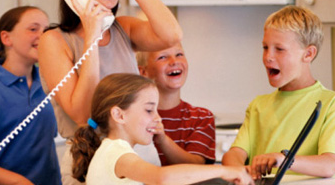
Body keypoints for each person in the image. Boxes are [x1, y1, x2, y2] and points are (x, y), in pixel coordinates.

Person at [38, 0, 182, 184]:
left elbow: (172, 35)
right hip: (88, 158)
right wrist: (92, 34)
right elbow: (83, 113)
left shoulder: (124, 28)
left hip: (140, 154)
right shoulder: (53, 41)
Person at [70, 73, 253, 185]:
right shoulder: (116, 153)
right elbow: (161, 178)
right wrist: (225, 170)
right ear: (119, 115)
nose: (158, 118)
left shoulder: (112, 150)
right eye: (149, 110)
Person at [222, 5, 335, 179]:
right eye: (265, 47)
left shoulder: (331, 103)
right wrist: (241, 172)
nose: (268, 56)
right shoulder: (258, 106)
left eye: (279, 49)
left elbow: (329, 165)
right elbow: (234, 154)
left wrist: (284, 159)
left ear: (308, 54)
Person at [0, 6, 61, 185]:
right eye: (33, 29)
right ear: (6, 38)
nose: (43, 36)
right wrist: (17, 182)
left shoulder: (50, 81)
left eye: (46, 30)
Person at [136, 43, 216, 165]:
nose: (174, 61)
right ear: (143, 71)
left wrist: (162, 140)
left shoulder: (202, 117)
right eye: (162, 57)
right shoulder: (133, 118)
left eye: (179, 54)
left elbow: (195, 166)